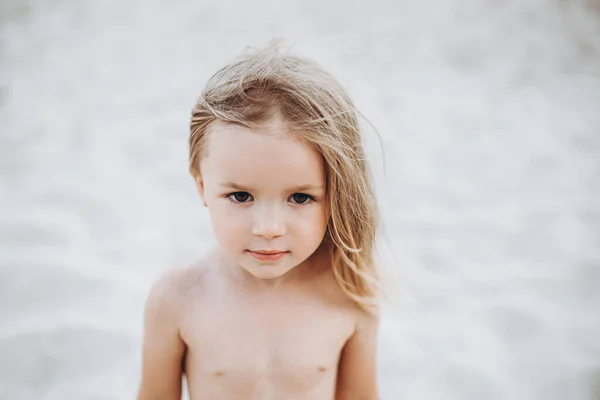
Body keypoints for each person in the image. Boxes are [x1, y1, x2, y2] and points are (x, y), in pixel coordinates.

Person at [136, 41, 382, 400]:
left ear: (337, 193)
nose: (268, 228)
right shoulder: (176, 301)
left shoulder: (351, 294)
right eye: (240, 196)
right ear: (202, 186)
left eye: (300, 197)